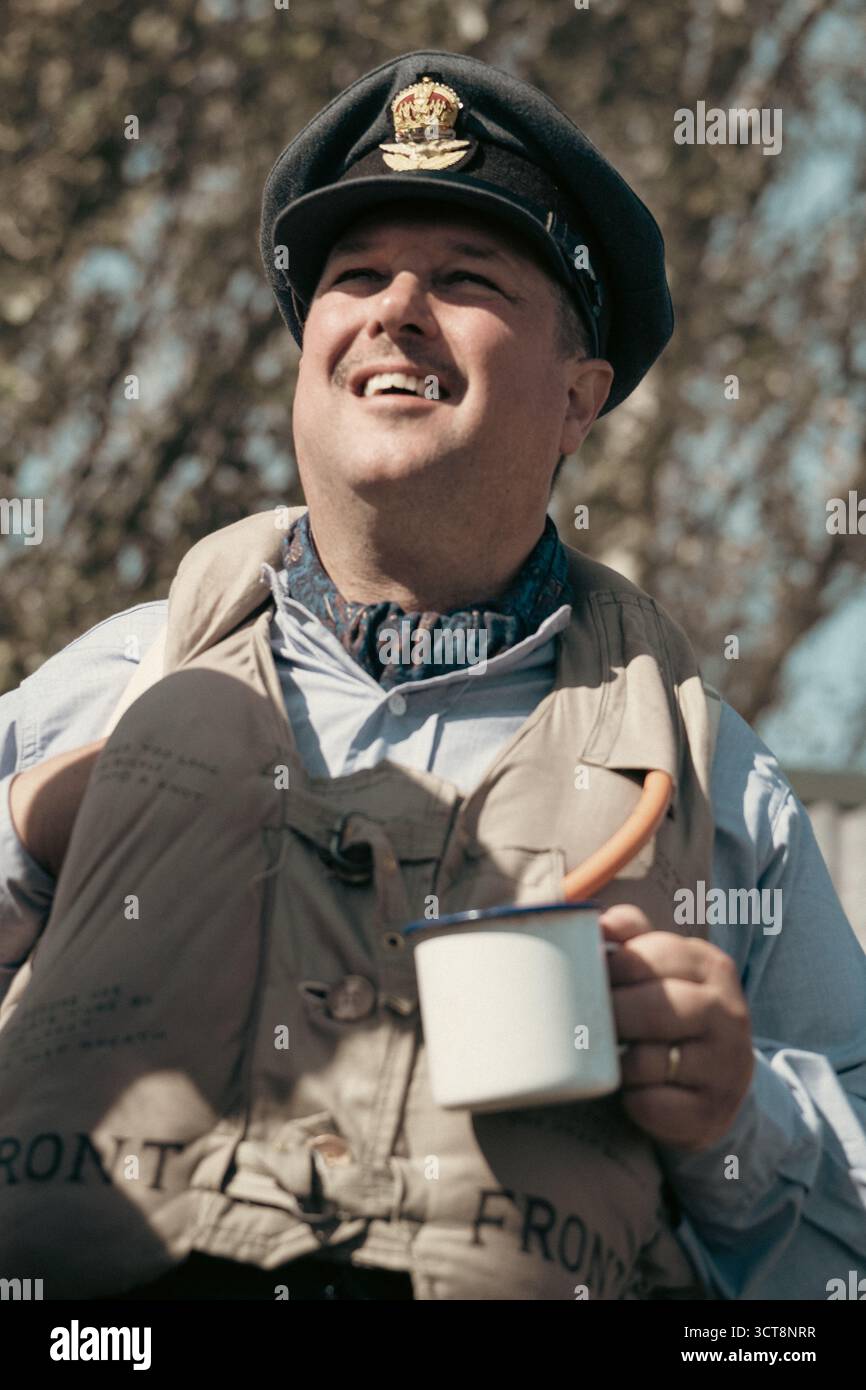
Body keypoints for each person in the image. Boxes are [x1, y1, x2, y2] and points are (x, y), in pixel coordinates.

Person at [0, 49, 864, 1302]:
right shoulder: (118, 681)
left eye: (463, 280)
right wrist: (24, 848)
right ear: (310, 359)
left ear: (577, 400)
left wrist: (737, 1119)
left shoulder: (705, 778)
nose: (394, 310)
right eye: (354, 278)